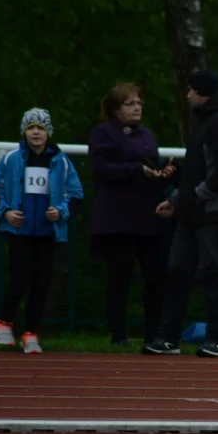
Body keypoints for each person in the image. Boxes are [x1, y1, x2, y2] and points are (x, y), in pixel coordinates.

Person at [143, 69, 218, 358]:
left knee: (211, 271)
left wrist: (194, 197)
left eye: (191, 90)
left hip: (213, 212)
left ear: (203, 93)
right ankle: (168, 338)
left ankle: (217, 338)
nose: (187, 95)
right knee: (177, 271)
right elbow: (198, 173)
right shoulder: (206, 123)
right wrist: (176, 198)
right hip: (192, 212)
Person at [88, 82, 176, 347]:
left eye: (139, 103)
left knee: (156, 277)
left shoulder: (146, 135)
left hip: (147, 219)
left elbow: (150, 167)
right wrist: (137, 170)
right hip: (117, 219)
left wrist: (163, 173)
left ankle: (153, 336)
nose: (137, 107)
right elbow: (101, 168)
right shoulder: (104, 133)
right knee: (120, 279)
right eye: (130, 103)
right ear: (116, 108)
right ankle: (119, 336)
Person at [0, 108, 84, 353]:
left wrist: (61, 211)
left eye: (41, 128)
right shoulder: (11, 159)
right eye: (31, 127)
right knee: (20, 278)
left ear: (48, 132)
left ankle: (31, 333)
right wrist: (6, 212)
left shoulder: (61, 161)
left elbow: (75, 194)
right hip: (18, 230)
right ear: (24, 131)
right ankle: (3, 322)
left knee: (42, 282)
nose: (35, 132)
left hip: (47, 231)